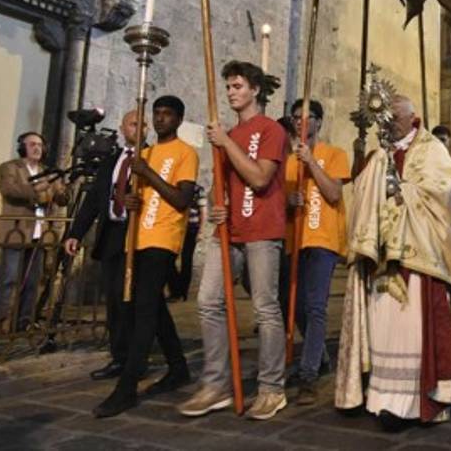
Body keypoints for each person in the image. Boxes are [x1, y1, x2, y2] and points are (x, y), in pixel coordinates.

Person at [336, 94, 451, 425]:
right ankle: (384, 399)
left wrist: (402, 192)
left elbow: (447, 198)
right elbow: (361, 198)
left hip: (421, 259)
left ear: (412, 118)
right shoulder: (378, 156)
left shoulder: (432, 150)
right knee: (386, 328)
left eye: (394, 118)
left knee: (414, 329)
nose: (388, 123)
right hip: (385, 258)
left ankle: (421, 399)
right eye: (384, 119)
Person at [181, 60, 288, 420]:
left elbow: (259, 179)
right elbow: (218, 182)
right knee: (209, 301)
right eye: (228, 87)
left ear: (255, 89)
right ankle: (216, 384)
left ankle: (272, 388)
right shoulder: (225, 136)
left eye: (238, 86)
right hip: (227, 231)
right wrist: (215, 206)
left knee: (265, 308)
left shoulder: (270, 130)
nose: (231, 92)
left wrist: (226, 141)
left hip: (262, 230)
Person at [93, 95, 197, 418]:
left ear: (178, 119)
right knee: (149, 305)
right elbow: (130, 197)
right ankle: (178, 366)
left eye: (168, 114)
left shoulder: (185, 153)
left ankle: (127, 386)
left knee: (144, 311)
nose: (161, 119)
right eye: (158, 114)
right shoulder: (145, 153)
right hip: (136, 237)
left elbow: (181, 199)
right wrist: (128, 199)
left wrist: (148, 174)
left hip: (163, 238)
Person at [64, 110, 141, 380]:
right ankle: (119, 356)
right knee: (113, 297)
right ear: (122, 128)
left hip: (137, 236)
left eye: (143, 124)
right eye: (133, 123)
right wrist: (75, 233)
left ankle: (134, 356)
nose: (138, 128)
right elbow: (94, 201)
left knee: (128, 298)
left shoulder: (151, 159)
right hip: (111, 234)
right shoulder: (111, 162)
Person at [284, 98, 350, 405]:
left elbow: (334, 192)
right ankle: (319, 353)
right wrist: (289, 201)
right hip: (294, 240)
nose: (302, 122)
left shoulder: (334, 154)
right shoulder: (287, 162)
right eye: (297, 117)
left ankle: (308, 375)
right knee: (291, 304)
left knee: (315, 307)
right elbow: (279, 203)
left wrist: (311, 162)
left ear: (319, 122)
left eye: (308, 117)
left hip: (323, 239)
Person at [0, 131, 69, 335]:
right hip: (16, 230)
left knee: (33, 281)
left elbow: (62, 199)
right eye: (32, 144)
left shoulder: (48, 172)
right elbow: (9, 191)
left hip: (38, 233)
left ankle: (23, 322)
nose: (36, 148)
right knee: (8, 280)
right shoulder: (9, 167)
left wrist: (62, 191)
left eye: (40, 145)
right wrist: (37, 191)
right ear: (22, 147)